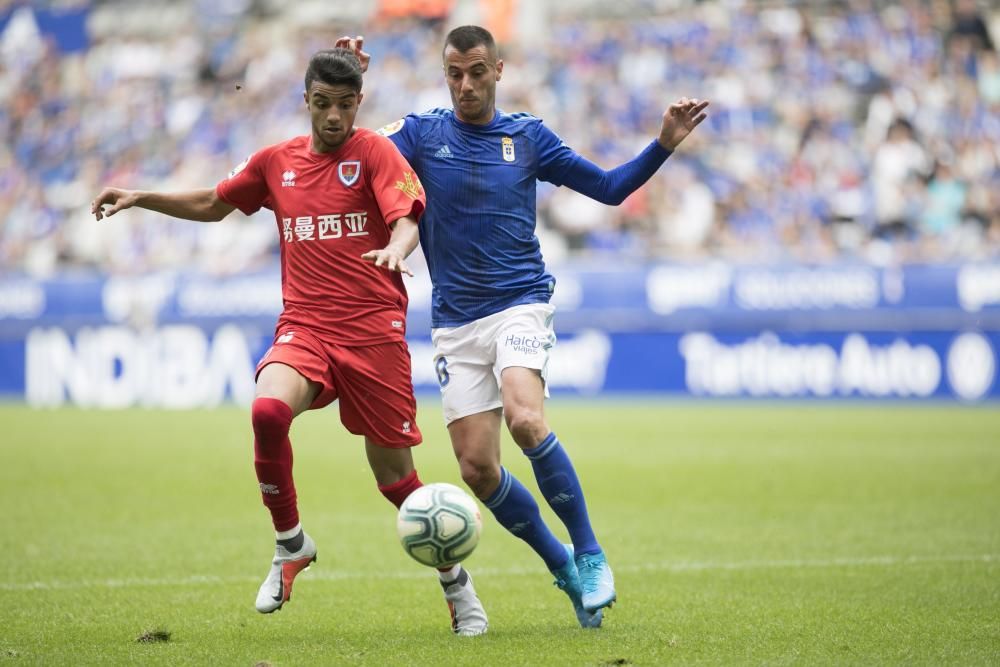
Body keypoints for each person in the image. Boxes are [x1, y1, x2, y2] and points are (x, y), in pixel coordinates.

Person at [90, 48, 489, 637]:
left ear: (359, 103)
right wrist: (140, 197)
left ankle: (459, 588)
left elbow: (406, 218)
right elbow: (214, 203)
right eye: (323, 104)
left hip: (373, 331)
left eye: (345, 105)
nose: (334, 117)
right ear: (306, 100)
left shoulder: (375, 152)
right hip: (305, 326)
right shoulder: (277, 162)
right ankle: (290, 544)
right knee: (268, 409)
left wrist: (397, 251)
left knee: (397, 481)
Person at [336, 27, 709, 628]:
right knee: (477, 470)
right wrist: (349, 79)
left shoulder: (527, 137)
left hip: (520, 303)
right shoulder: (421, 135)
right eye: (454, 73)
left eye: (477, 72)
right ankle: (560, 562)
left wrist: (662, 145)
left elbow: (609, 190)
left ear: (499, 70)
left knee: (526, 417)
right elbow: (352, 156)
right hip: (456, 323)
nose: (465, 85)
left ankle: (589, 551)